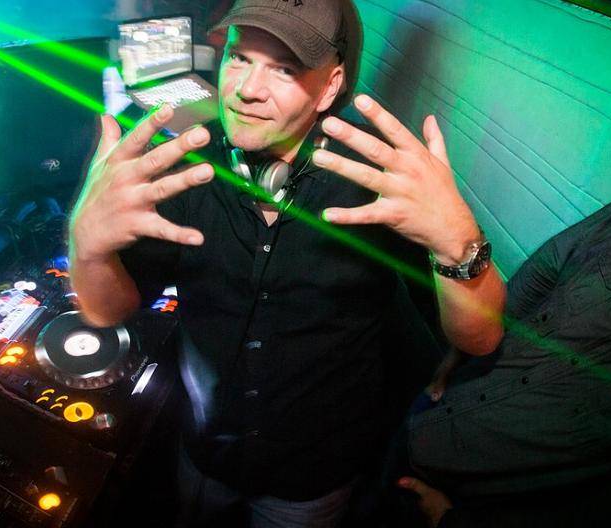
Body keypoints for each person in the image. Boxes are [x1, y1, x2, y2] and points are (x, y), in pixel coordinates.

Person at [68, 0, 506, 525]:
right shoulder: (184, 164)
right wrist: (87, 247)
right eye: (239, 57)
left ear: (329, 87)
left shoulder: (378, 183)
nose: (248, 89)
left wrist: (460, 245)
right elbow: (108, 310)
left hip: (311, 479)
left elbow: (480, 338)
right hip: (204, 451)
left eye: (284, 69)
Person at [385, 184, 611, 527]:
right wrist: (464, 350)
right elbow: (544, 271)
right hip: (440, 402)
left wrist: (453, 521)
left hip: (473, 495)